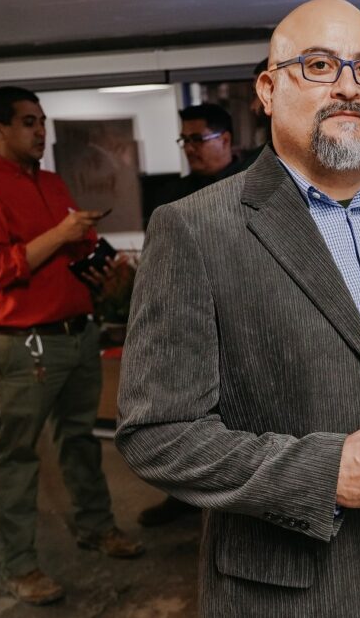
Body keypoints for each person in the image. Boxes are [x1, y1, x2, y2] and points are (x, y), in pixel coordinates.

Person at [116, 0, 360, 617]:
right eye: (320, 65)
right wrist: (321, 472)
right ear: (268, 90)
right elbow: (155, 433)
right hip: (300, 595)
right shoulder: (196, 229)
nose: (349, 87)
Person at [0, 86, 143, 607]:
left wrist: (97, 255)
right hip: (20, 347)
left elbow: (68, 248)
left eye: (43, 121)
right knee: (15, 459)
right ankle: (19, 566)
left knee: (80, 441)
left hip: (75, 337)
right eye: (29, 122)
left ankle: (96, 527)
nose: (41, 132)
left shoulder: (52, 183)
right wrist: (60, 234)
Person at [136, 101, 249, 526]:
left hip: (240, 320)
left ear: (225, 139)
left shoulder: (252, 188)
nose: (190, 149)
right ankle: (181, 497)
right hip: (188, 323)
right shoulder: (171, 198)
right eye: (185, 140)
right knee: (181, 415)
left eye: (198, 139)